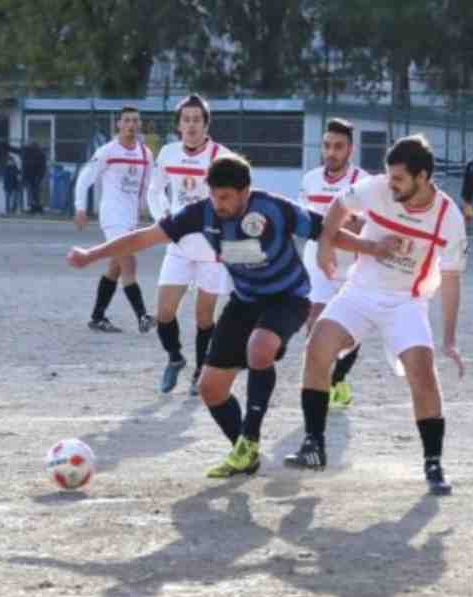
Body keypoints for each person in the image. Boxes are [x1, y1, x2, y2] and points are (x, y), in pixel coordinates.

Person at [68, 154, 387, 478]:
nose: (217, 204)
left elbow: (326, 231)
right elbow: (145, 237)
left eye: (225, 197)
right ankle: (244, 452)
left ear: (245, 192)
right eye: (214, 195)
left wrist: (372, 248)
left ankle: (250, 437)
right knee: (211, 388)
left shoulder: (274, 208)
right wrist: (92, 254)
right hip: (245, 302)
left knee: (260, 348)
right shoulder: (200, 214)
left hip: (288, 299)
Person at [285, 134, 468, 496]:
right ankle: (314, 444)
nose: (391, 184)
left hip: (406, 301)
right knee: (317, 345)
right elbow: (339, 206)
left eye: (399, 179)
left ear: (423, 177)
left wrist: (449, 339)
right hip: (360, 292)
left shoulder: (448, 217)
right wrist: (325, 245)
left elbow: (450, 280)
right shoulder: (376, 188)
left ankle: (433, 463)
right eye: (389, 176)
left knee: (423, 374)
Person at [146, 94, 233, 395]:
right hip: (179, 245)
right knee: (164, 313)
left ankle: (200, 370)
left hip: (211, 250)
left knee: (204, 316)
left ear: (206, 124)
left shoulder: (222, 156)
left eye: (197, 119)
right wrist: (164, 219)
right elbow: (154, 191)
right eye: (186, 119)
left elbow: (237, 198)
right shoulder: (168, 153)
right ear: (179, 125)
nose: (192, 124)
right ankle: (174, 358)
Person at [299, 118, 368, 410]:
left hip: (353, 265)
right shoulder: (310, 179)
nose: (331, 152)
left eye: (338, 147)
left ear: (349, 149)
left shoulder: (363, 182)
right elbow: (303, 219)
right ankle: (321, 383)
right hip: (318, 261)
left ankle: (338, 378)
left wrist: (354, 223)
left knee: (352, 331)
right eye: (327, 146)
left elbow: (370, 226)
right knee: (315, 324)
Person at [72, 105, 155, 335]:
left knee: (116, 267)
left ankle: (97, 317)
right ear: (118, 124)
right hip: (111, 216)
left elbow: (148, 187)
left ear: (139, 125)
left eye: (135, 121)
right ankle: (143, 316)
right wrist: (80, 208)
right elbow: (85, 178)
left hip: (130, 219)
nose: (131, 125)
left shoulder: (145, 154)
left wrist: (151, 212)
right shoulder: (107, 151)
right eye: (127, 120)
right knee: (129, 262)